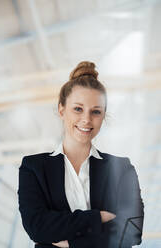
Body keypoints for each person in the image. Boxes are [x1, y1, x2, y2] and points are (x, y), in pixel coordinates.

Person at [17, 61, 144, 248]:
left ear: (103, 115)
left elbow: (132, 230)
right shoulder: (33, 167)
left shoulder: (122, 168)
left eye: (96, 112)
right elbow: (36, 227)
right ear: (62, 110)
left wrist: (72, 243)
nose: (86, 119)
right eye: (78, 109)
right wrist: (98, 217)